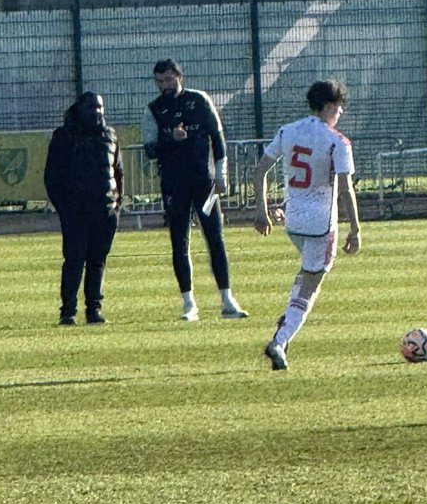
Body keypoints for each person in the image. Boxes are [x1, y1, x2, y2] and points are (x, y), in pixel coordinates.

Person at [252, 79, 362, 370]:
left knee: (306, 272)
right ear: (329, 106)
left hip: (294, 220)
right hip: (321, 224)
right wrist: (356, 228)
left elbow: (260, 170)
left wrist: (261, 212)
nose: (340, 113)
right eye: (339, 108)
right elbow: (345, 188)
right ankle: (280, 339)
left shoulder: (288, 131)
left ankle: (285, 323)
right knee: (311, 285)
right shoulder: (337, 141)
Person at [143, 58, 247, 321]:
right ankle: (189, 303)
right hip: (174, 185)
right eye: (160, 81)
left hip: (205, 184)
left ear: (180, 77)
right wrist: (170, 138)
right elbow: (150, 150)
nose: (165, 85)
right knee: (179, 241)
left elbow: (218, 138)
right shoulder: (153, 110)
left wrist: (221, 175)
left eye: (169, 79)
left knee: (215, 237)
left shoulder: (200, 101)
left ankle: (227, 299)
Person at [43, 92, 124, 325]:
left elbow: (118, 172)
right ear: (80, 109)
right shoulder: (64, 136)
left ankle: (94, 310)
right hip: (76, 211)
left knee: (97, 261)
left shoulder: (110, 136)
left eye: (100, 107)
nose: (97, 112)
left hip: (105, 210)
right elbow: (52, 177)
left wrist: (117, 205)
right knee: (74, 260)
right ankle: (68, 311)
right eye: (91, 107)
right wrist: (65, 208)